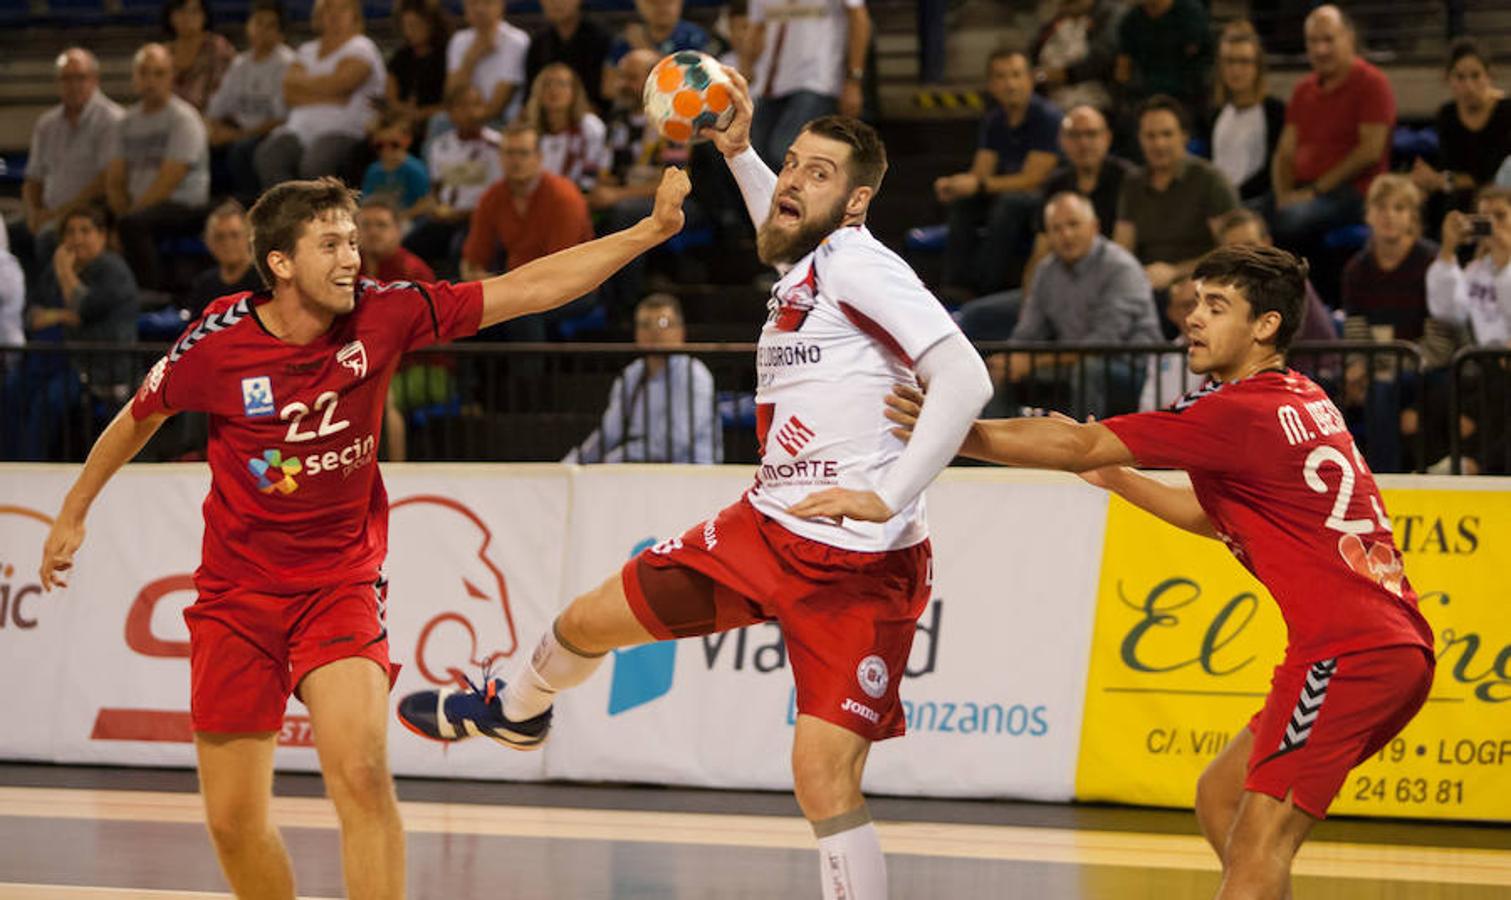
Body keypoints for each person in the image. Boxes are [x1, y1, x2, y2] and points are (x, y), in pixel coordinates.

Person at [395, 68, 993, 900]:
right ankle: (518, 711)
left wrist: (887, 493)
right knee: (580, 623)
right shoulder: (814, 260)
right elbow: (783, 231)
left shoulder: (864, 266)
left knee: (821, 781)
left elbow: (964, 377)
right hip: (764, 526)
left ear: (856, 203)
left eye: (818, 174)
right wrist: (741, 152)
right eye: (792, 163)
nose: (791, 181)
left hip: (855, 568)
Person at [38, 167, 691, 899]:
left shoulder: (385, 312)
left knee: (361, 776)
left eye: (353, 240)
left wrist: (645, 232)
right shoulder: (216, 343)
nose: (351, 257)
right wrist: (73, 511)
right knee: (231, 821)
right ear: (280, 263)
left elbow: (525, 289)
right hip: (235, 599)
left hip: (339, 587)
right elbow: (138, 418)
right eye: (330, 244)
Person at [885, 243, 1434, 900]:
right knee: (1221, 799)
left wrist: (955, 432)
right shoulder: (1296, 396)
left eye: (1215, 306)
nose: (1191, 318)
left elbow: (1078, 442)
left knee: (1260, 842)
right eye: (1194, 302)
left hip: (1350, 653)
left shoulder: (1237, 411)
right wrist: (1117, 480)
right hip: (1384, 644)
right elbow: (1209, 516)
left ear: (1265, 327)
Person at [996, 192, 1159, 419]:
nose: (1066, 235)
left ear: (1094, 227)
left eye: (1074, 224)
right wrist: (1011, 358)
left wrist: (1034, 361)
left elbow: (1104, 343)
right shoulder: (1046, 270)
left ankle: (1082, 448)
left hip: (1132, 368)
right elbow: (1027, 333)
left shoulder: (1121, 268)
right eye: (1056, 228)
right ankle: (1000, 452)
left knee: (1089, 368)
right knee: (997, 369)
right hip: (1072, 362)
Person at [1268, 6, 1394, 254]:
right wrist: (1283, 195)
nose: (1320, 49)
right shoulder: (1302, 90)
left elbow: (1370, 151)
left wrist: (1314, 191)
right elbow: (1284, 152)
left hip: (1352, 194)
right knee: (1239, 216)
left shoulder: (1373, 83)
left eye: (1328, 39)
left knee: (1287, 221)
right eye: (1313, 41)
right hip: (1302, 189)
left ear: (1349, 38)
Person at [936, 49, 1062, 298]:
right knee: (963, 202)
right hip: (1006, 195)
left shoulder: (1047, 117)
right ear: (991, 85)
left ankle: (985, 288)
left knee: (1010, 203)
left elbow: (1032, 179)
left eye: (1016, 75)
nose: (1010, 84)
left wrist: (980, 185)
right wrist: (956, 184)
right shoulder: (994, 121)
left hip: (1046, 200)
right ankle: (955, 287)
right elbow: (981, 172)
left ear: (1030, 79)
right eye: (1001, 77)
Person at [566, 294, 722, 463]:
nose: (655, 332)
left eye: (663, 323)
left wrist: (618, 457)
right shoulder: (631, 375)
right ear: (637, 333)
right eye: (645, 325)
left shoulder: (695, 375)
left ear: (681, 331)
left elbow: (674, 442)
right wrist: (573, 463)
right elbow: (609, 432)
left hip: (689, 474)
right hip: (638, 470)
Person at [107, 43, 212, 293]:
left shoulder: (184, 119)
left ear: (172, 77)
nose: (151, 80)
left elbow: (168, 182)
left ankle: (151, 295)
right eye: (144, 72)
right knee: (86, 222)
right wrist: (119, 215)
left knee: (133, 226)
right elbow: (114, 179)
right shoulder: (125, 122)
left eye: (159, 73)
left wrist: (123, 220)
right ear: (135, 77)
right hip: (138, 208)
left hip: (184, 205)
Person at [1114, 94, 1238, 295]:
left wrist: (1176, 272)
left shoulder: (1210, 179)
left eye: (1167, 134)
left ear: (1184, 136)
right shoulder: (1132, 183)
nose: (1159, 144)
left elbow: (1231, 250)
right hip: (1145, 285)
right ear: (1140, 139)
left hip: (1201, 282)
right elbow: (1122, 249)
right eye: (1150, 136)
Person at [254, 0, 386, 188]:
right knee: (268, 155)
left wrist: (307, 85)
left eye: (342, 9)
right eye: (329, 8)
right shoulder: (307, 50)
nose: (334, 14)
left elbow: (342, 85)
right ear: (319, 15)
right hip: (298, 129)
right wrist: (330, 91)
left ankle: (317, 215)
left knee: (314, 163)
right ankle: (288, 213)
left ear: (354, 15)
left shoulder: (362, 47)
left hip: (344, 131)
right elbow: (289, 92)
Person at [18, 48, 125, 279]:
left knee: (48, 237)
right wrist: (32, 213)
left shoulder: (113, 120)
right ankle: (25, 305)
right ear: (58, 82)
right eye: (67, 78)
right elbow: (33, 178)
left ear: (95, 80)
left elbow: (106, 180)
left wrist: (59, 213)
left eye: (81, 78)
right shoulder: (46, 123)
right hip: (49, 212)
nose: (74, 85)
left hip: (92, 212)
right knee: (13, 233)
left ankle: (56, 301)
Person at [1427, 186, 1511, 474]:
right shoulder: (1476, 269)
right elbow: (1448, 311)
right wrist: (1449, 250)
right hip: (1479, 364)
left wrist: (1506, 260)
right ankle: (1442, 469)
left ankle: (1471, 463)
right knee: (1435, 392)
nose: (1492, 225)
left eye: (1500, 216)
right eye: (1484, 217)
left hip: (1502, 366)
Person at [462, 123, 595, 281]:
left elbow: (560, 270)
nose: (516, 161)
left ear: (539, 157)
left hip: (570, 285)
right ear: (500, 157)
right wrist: (476, 277)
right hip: (519, 284)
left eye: (523, 153)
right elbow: (473, 261)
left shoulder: (564, 197)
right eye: (509, 153)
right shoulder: (492, 196)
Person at [744, 0, 871, 167]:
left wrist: (854, 79)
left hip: (818, 81)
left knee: (785, 151)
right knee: (751, 154)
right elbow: (756, 27)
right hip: (770, 83)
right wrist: (745, 67)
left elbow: (859, 19)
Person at [404, 84, 502, 278]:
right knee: (407, 247)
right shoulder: (440, 146)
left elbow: (500, 197)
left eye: (476, 105)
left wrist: (460, 214)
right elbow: (436, 188)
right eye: (462, 106)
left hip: (479, 219)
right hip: (445, 216)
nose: (470, 112)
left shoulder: (497, 146)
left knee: (459, 249)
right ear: (450, 112)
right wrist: (436, 208)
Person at [1412, 40, 1511, 226]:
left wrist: (1442, 181)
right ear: (1448, 79)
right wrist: (1429, 179)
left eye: (1476, 76)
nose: (1469, 86)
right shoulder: (1446, 115)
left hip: (1498, 196)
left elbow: (1490, 173)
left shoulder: (1506, 112)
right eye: (1460, 77)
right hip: (1455, 195)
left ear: (1489, 76)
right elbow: (1449, 165)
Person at [206, 0, 295, 204]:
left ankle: (251, 208)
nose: (261, 30)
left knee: (241, 150)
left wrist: (237, 135)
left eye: (269, 25)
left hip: (272, 133)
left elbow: (282, 119)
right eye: (257, 23)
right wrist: (216, 130)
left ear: (280, 33)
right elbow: (216, 109)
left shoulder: (288, 63)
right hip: (241, 131)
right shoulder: (240, 63)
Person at [1215, 208, 1335, 343]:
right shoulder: (1215, 294)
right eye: (1235, 249)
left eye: (1250, 245)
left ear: (1267, 243)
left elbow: (1328, 352)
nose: (1245, 255)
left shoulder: (1294, 284)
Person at [1209, 20, 1286, 204]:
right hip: (1217, 201)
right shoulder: (1214, 112)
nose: (1236, 70)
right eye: (1229, 62)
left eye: (1244, 62)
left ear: (1257, 67)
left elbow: (1274, 172)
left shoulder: (1275, 111)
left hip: (1256, 202)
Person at [1114, 0, 1213, 125]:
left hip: (1186, 96)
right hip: (1145, 97)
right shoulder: (1131, 20)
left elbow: (1201, 62)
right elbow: (1122, 71)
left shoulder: (1190, 13)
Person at [522, 63, 610, 192]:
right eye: (547, 84)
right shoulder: (528, 130)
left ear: (574, 92)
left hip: (578, 196)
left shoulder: (590, 127)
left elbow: (592, 174)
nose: (554, 90)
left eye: (562, 84)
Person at [446, 0, 531, 125]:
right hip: (462, 117)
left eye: (487, 3)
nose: (479, 9)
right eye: (473, 3)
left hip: (501, 119)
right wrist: (470, 60)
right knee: (439, 121)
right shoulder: (458, 40)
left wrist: (471, 119)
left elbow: (499, 104)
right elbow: (450, 95)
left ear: (501, 6)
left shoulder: (516, 41)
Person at [526, 0, 613, 114]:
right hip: (546, 121)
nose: (556, 3)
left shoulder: (600, 39)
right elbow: (530, 96)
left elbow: (606, 96)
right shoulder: (538, 43)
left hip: (593, 118)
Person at [1032, 0, 1120, 112]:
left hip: (1096, 104)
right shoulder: (1056, 21)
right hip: (1053, 104)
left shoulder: (1109, 14)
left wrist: (1049, 75)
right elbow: (1034, 55)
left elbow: (1099, 62)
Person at [185, 200, 263, 320]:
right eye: (219, 237)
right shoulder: (204, 284)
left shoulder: (266, 279)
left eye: (234, 235)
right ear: (208, 241)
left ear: (249, 236)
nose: (227, 243)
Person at [385, 0, 452, 134]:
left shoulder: (448, 55)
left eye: (415, 25)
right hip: (402, 121)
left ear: (431, 24)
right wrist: (402, 110)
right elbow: (390, 96)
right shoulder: (401, 57)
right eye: (406, 25)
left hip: (434, 122)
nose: (410, 31)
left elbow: (452, 102)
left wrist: (421, 114)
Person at [164, 0, 236, 112]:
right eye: (181, 11)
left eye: (194, 11)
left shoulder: (218, 48)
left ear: (204, 16)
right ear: (171, 16)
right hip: (170, 120)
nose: (187, 17)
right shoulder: (163, 53)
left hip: (212, 120)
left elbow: (229, 93)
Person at [361, 112, 431, 216]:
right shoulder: (373, 171)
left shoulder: (415, 170)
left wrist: (402, 217)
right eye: (380, 146)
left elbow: (426, 202)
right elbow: (366, 202)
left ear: (407, 140)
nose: (387, 150)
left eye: (394, 145)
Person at [359, 197, 437, 283]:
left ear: (397, 230)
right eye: (365, 225)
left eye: (381, 225)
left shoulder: (415, 272)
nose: (373, 232)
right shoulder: (347, 266)